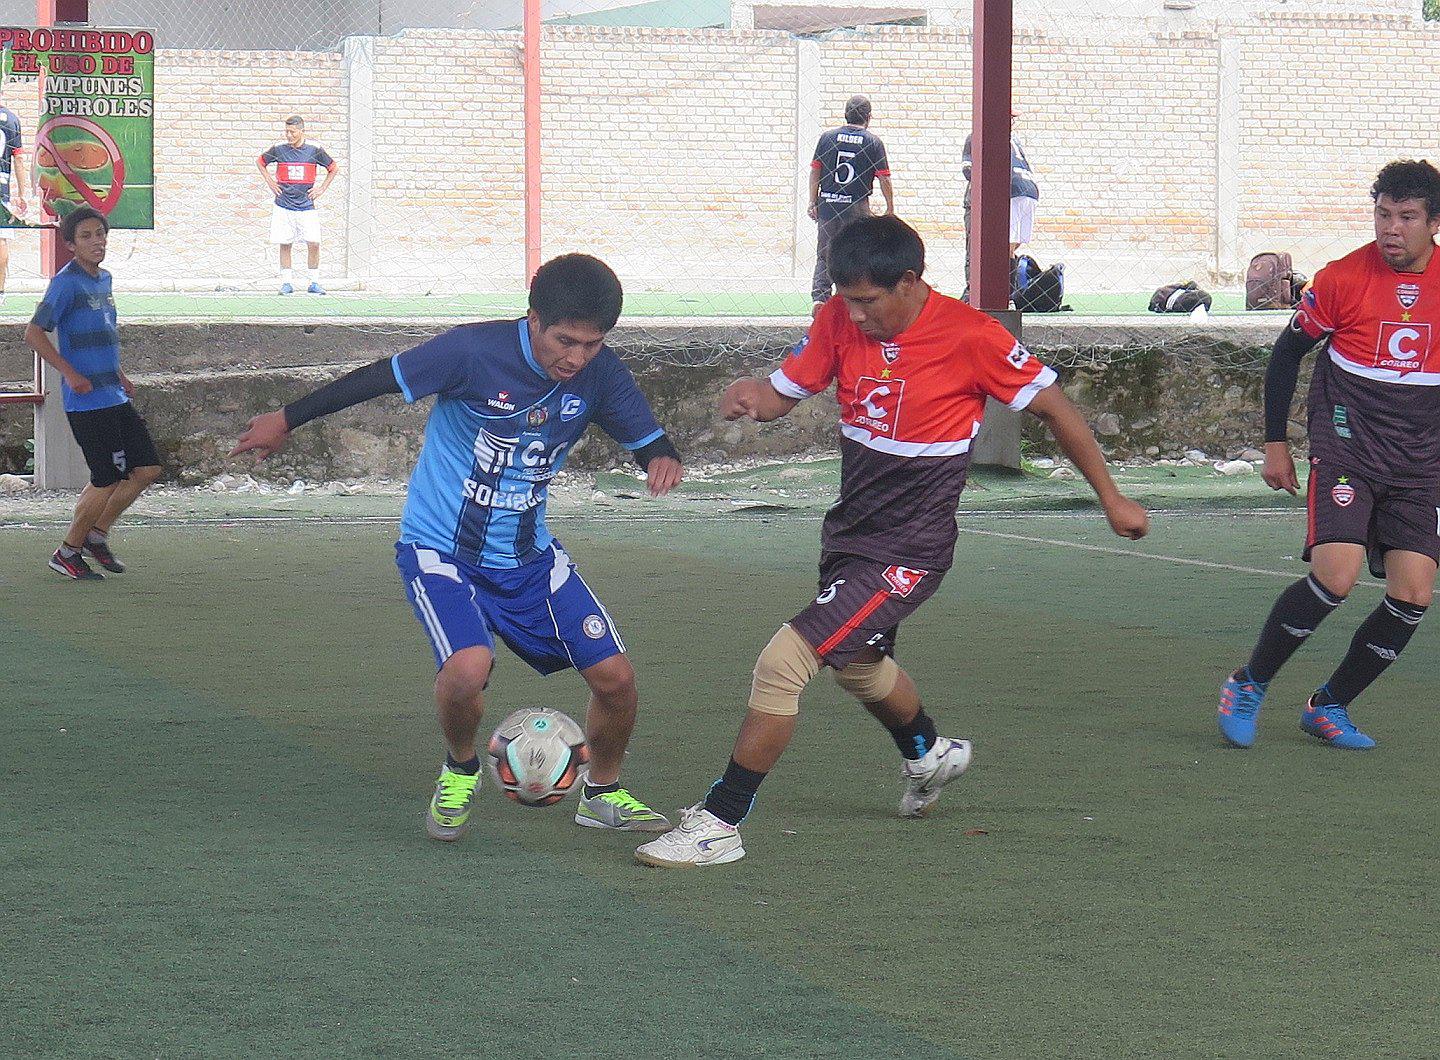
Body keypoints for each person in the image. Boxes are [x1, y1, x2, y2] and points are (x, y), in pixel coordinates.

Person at [635, 216, 1149, 868]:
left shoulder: (970, 335)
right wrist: (753, 397)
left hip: (911, 546)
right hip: (852, 532)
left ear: (910, 281)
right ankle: (929, 755)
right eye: (846, 299)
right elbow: (784, 393)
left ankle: (719, 822)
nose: (855, 314)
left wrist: (1111, 497)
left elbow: (1055, 408)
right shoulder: (838, 319)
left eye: (868, 302)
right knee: (859, 667)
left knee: (783, 663)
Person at [232, 253, 684, 842]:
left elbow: (647, 436)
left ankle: (601, 793)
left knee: (616, 680)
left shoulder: (601, 374)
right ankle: (461, 768)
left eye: (591, 345)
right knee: (469, 668)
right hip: (441, 553)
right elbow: (377, 378)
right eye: (565, 340)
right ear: (533, 318)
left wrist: (660, 458)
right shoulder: (472, 352)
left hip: (530, 559)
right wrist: (287, 418)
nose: (575, 357)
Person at [1218, 160, 1440, 751]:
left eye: (1407, 217)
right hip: (1349, 448)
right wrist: (1275, 444)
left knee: (1414, 592)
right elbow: (1286, 356)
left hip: (1421, 463)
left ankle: (1330, 705)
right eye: (1383, 214)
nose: (1391, 228)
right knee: (1335, 575)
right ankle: (1249, 682)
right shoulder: (1341, 279)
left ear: (1433, 223)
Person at [27, 206, 161, 581]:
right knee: (106, 477)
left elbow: (104, 333)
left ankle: (96, 535)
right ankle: (68, 550)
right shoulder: (66, 283)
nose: (95, 241)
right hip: (88, 402)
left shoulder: (104, 280)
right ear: (71, 245)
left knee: (147, 468)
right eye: (85, 236)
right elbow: (34, 334)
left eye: (99, 234)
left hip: (113, 394)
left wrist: (120, 374)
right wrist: (69, 373)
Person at [809, 94, 893, 312]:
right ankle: (848, 299)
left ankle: (820, 298)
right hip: (856, 208)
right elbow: (884, 177)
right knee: (855, 254)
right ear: (868, 117)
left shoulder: (827, 138)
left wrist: (812, 201)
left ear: (845, 114)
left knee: (825, 253)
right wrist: (890, 208)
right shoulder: (873, 142)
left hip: (828, 205)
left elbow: (815, 170)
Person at [961, 108, 1039, 297]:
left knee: (996, 245)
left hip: (1010, 191)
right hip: (1030, 190)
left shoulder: (978, 136)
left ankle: (995, 292)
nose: (1011, 123)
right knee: (1010, 245)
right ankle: (1008, 291)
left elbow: (968, 170)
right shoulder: (1014, 139)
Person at [257, 115, 338, 295]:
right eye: (286, 131)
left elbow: (333, 168)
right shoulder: (279, 149)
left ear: (301, 131)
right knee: (285, 243)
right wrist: (270, 181)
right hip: (283, 204)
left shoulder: (314, 150)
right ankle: (286, 283)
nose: (288, 135)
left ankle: (314, 282)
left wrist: (321, 189)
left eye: (292, 132)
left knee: (314, 242)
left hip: (306, 205)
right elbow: (260, 162)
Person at [0, 90, 29, 298]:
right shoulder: (12, 120)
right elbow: (18, 159)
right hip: (2, 187)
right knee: (1, 239)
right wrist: (22, 192)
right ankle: (0, 291)